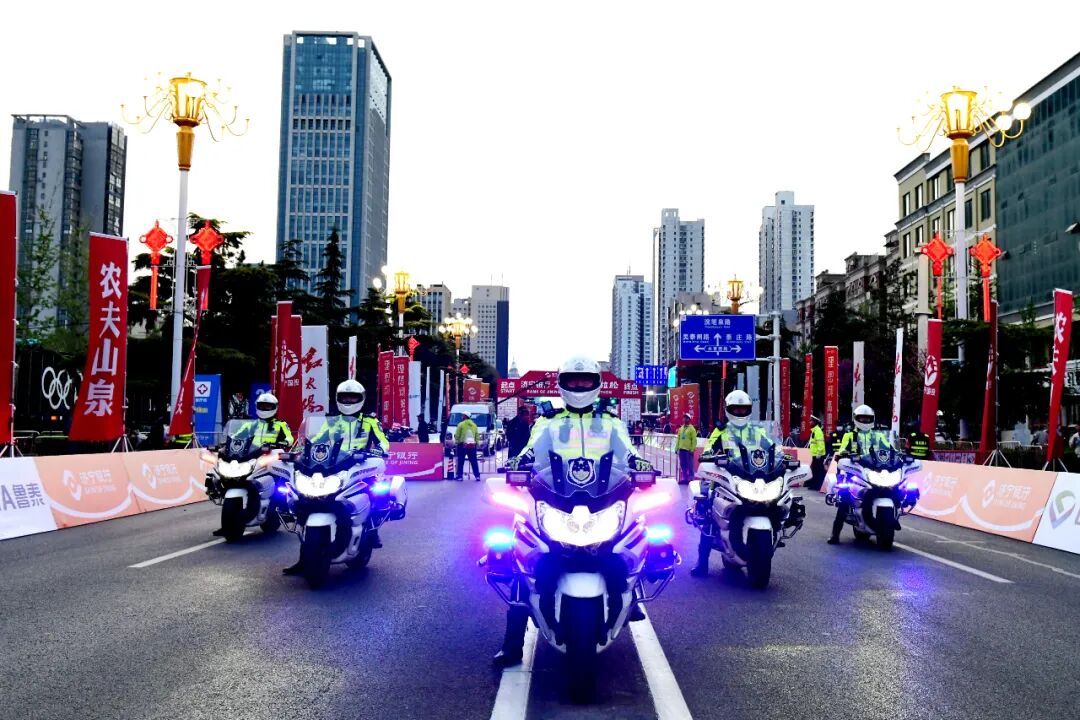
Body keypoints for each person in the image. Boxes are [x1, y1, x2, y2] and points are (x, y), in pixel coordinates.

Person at [495, 354, 653, 668]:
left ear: (596, 384)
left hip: (602, 497)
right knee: (521, 557)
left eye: (585, 381)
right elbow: (531, 449)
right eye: (573, 381)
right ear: (561, 384)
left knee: (629, 543)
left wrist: (639, 463)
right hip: (556, 496)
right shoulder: (548, 422)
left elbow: (627, 450)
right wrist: (519, 462)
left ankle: (630, 597)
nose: (579, 386)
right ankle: (512, 644)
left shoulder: (611, 422)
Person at [283, 380, 388, 575]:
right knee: (306, 500)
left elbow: (383, 442)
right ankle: (304, 558)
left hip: (359, 466)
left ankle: (372, 532)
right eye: (345, 397)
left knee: (372, 493)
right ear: (338, 399)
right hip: (333, 466)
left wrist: (379, 451)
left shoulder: (370, 422)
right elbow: (315, 440)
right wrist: (300, 451)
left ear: (361, 399)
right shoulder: (331, 422)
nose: (348, 401)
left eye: (353, 398)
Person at [691, 390, 772, 577]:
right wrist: (710, 456)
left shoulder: (757, 431)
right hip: (726, 476)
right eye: (736, 409)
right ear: (729, 410)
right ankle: (702, 563)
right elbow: (709, 449)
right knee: (708, 510)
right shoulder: (722, 431)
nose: (740, 412)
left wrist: (781, 457)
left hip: (751, 478)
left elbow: (771, 447)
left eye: (743, 409)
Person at [828, 404, 885, 544]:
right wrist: (842, 455)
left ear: (872, 419)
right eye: (862, 418)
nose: (865, 421)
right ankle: (835, 535)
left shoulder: (878, 435)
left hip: (874, 471)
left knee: (891, 488)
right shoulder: (849, 435)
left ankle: (886, 521)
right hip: (854, 470)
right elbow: (842, 449)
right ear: (856, 419)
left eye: (867, 419)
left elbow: (889, 449)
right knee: (844, 498)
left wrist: (898, 454)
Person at [454, 412, 482, 481]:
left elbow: (457, 435)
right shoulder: (474, 425)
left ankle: (460, 476)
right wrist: (477, 443)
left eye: (463, 415)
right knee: (474, 461)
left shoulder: (461, 424)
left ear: (465, 416)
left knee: (461, 461)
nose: (462, 416)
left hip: (462, 445)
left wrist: (456, 441)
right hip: (472, 446)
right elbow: (477, 435)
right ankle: (477, 476)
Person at [676, 412, 698, 484]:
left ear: (689, 419)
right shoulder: (681, 428)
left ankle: (691, 479)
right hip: (681, 450)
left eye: (687, 418)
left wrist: (692, 449)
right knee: (683, 465)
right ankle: (685, 478)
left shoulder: (692, 429)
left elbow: (694, 440)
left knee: (690, 465)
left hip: (688, 451)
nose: (685, 419)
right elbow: (678, 439)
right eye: (684, 418)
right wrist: (676, 448)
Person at [808, 415, 827, 491]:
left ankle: (818, 486)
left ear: (815, 422)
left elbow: (821, 444)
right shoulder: (814, 431)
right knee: (815, 471)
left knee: (819, 471)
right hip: (815, 455)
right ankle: (815, 485)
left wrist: (819, 453)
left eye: (811, 421)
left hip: (819, 455)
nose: (809, 422)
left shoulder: (818, 431)